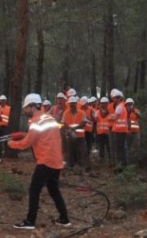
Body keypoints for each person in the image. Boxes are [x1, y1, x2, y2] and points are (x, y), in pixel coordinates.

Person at [8, 93, 70, 230]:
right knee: (54, 190)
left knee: (34, 190)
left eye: (26, 108)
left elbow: (26, 144)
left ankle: (30, 221)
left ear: (32, 106)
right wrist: (25, 135)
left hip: (45, 161)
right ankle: (64, 219)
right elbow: (42, 136)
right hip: (56, 160)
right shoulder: (49, 118)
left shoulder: (36, 121)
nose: (25, 111)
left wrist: (12, 144)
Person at [61, 96, 90, 171]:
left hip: (80, 135)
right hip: (70, 135)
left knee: (82, 151)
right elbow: (63, 123)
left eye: (73, 103)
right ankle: (71, 166)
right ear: (69, 105)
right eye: (71, 104)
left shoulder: (81, 112)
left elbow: (84, 122)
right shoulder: (65, 113)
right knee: (70, 151)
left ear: (76, 104)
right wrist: (69, 128)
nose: (72, 105)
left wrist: (76, 127)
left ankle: (83, 166)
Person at [108, 89, 129, 171]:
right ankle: (123, 166)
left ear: (119, 98)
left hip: (119, 131)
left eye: (114, 98)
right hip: (122, 130)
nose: (113, 100)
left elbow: (115, 117)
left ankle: (120, 168)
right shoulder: (123, 106)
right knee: (121, 149)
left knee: (119, 150)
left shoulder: (119, 107)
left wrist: (110, 117)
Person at [95, 97, 111, 165]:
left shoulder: (110, 111)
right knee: (101, 146)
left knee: (109, 146)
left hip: (108, 133)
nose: (103, 105)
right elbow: (95, 120)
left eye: (105, 103)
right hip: (100, 132)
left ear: (108, 104)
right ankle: (102, 159)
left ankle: (110, 159)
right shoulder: (97, 112)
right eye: (102, 103)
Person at [125, 98, 141, 165]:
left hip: (136, 132)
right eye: (128, 104)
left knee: (137, 147)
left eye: (131, 104)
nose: (129, 105)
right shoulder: (124, 112)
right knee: (127, 147)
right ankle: (128, 162)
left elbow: (140, 115)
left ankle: (137, 161)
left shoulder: (136, 110)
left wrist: (133, 111)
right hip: (128, 132)